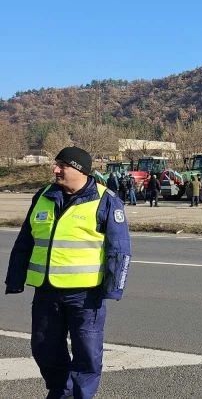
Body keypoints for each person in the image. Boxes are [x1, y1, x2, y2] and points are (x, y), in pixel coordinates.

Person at [4, 146, 132, 399]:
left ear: (80, 170)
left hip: (85, 296)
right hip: (46, 291)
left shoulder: (106, 200)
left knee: (87, 355)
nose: (55, 169)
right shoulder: (43, 196)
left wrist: (113, 287)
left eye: (62, 165)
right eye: (56, 164)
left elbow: (119, 250)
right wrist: (15, 278)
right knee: (44, 349)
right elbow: (25, 241)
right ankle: (61, 392)